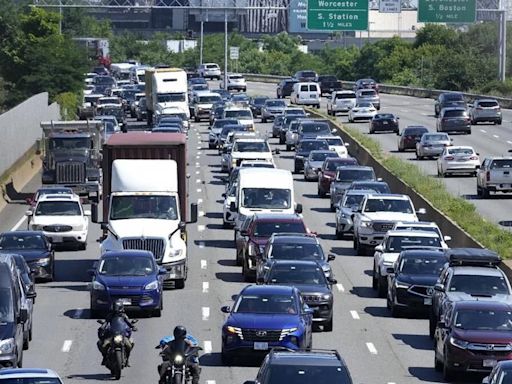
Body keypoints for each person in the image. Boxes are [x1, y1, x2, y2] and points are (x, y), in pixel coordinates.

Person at [97, 301, 137, 366]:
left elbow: (128, 322)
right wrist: (102, 327)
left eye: (117, 308)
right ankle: (104, 357)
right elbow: (106, 322)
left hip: (122, 334)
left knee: (129, 345)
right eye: (115, 308)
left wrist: (133, 327)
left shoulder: (124, 316)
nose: (116, 310)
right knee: (103, 345)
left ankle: (127, 360)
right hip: (112, 334)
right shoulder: (110, 316)